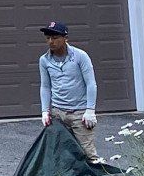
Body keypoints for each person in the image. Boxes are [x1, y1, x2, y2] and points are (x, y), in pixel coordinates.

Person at [38, 19, 100, 160]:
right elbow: (45, 86)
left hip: (79, 113)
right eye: (48, 38)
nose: (51, 42)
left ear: (65, 38)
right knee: (60, 152)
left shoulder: (80, 56)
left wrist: (90, 110)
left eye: (55, 38)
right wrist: (44, 111)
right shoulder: (44, 60)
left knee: (88, 153)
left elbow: (91, 84)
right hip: (58, 113)